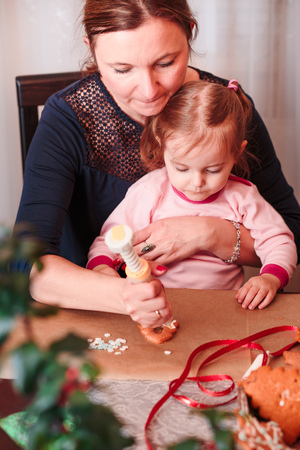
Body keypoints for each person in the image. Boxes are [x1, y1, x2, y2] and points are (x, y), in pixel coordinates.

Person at [14, 1, 300, 326]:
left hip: (212, 312)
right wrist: (123, 294)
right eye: (122, 69)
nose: (149, 91)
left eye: (165, 63)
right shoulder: (68, 118)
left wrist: (210, 233)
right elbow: (24, 263)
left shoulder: (222, 112)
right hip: (95, 314)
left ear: (190, 34)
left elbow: (293, 233)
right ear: (91, 49)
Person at [87, 80, 297, 310]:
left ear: (237, 153)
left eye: (213, 169)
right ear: (162, 146)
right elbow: (111, 241)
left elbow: (279, 241)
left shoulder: (243, 196)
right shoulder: (149, 191)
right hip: (157, 306)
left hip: (223, 308)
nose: (197, 183)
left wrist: (270, 278)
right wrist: (101, 270)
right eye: (182, 168)